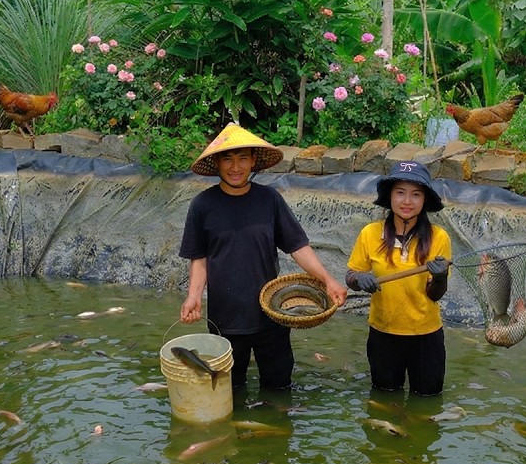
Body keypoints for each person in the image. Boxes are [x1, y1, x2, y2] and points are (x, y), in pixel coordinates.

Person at [179, 123, 347, 390]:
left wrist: (328, 280)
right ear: (217, 163)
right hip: (225, 317)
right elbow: (199, 259)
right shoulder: (202, 205)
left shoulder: (269, 199)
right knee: (229, 390)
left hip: (272, 314)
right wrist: (193, 297)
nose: (236, 167)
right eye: (227, 159)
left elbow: (297, 247)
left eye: (243, 158)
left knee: (279, 387)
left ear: (253, 160)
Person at [346, 161, 452, 396]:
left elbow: (435, 295)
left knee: (427, 398)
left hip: (426, 335)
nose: (407, 201)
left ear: (425, 200)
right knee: (384, 396)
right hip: (383, 333)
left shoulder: (439, 237)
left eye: (416, 194)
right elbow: (351, 275)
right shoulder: (370, 233)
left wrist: (440, 277)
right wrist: (360, 279)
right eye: (400, 192)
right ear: (390, 196)